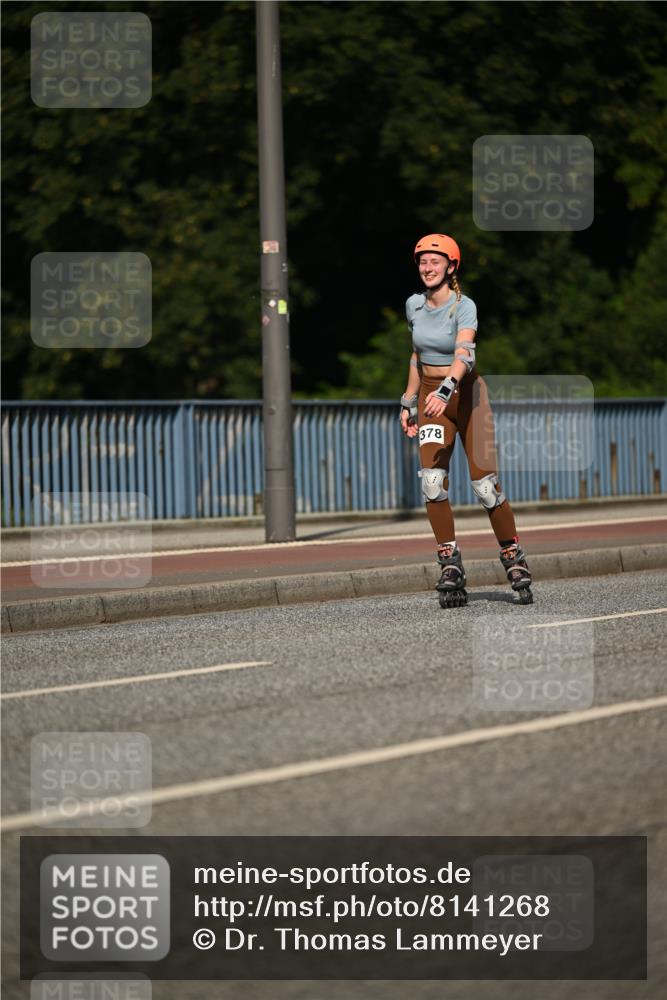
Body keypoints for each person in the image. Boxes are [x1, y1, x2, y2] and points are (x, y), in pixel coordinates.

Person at [400, 233, 533, 607]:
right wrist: (409, 401)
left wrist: (445, 390)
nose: (428, 268)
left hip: (466, 395)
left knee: (485, 486)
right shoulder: (413, 305)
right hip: (430, 396)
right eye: (423, 261)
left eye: (435, 262)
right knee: (432, 482)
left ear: (451, 267)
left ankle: (512, 556)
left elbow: (466, 354)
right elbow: (416, 356)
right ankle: (449, 563)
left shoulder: (464, 306)